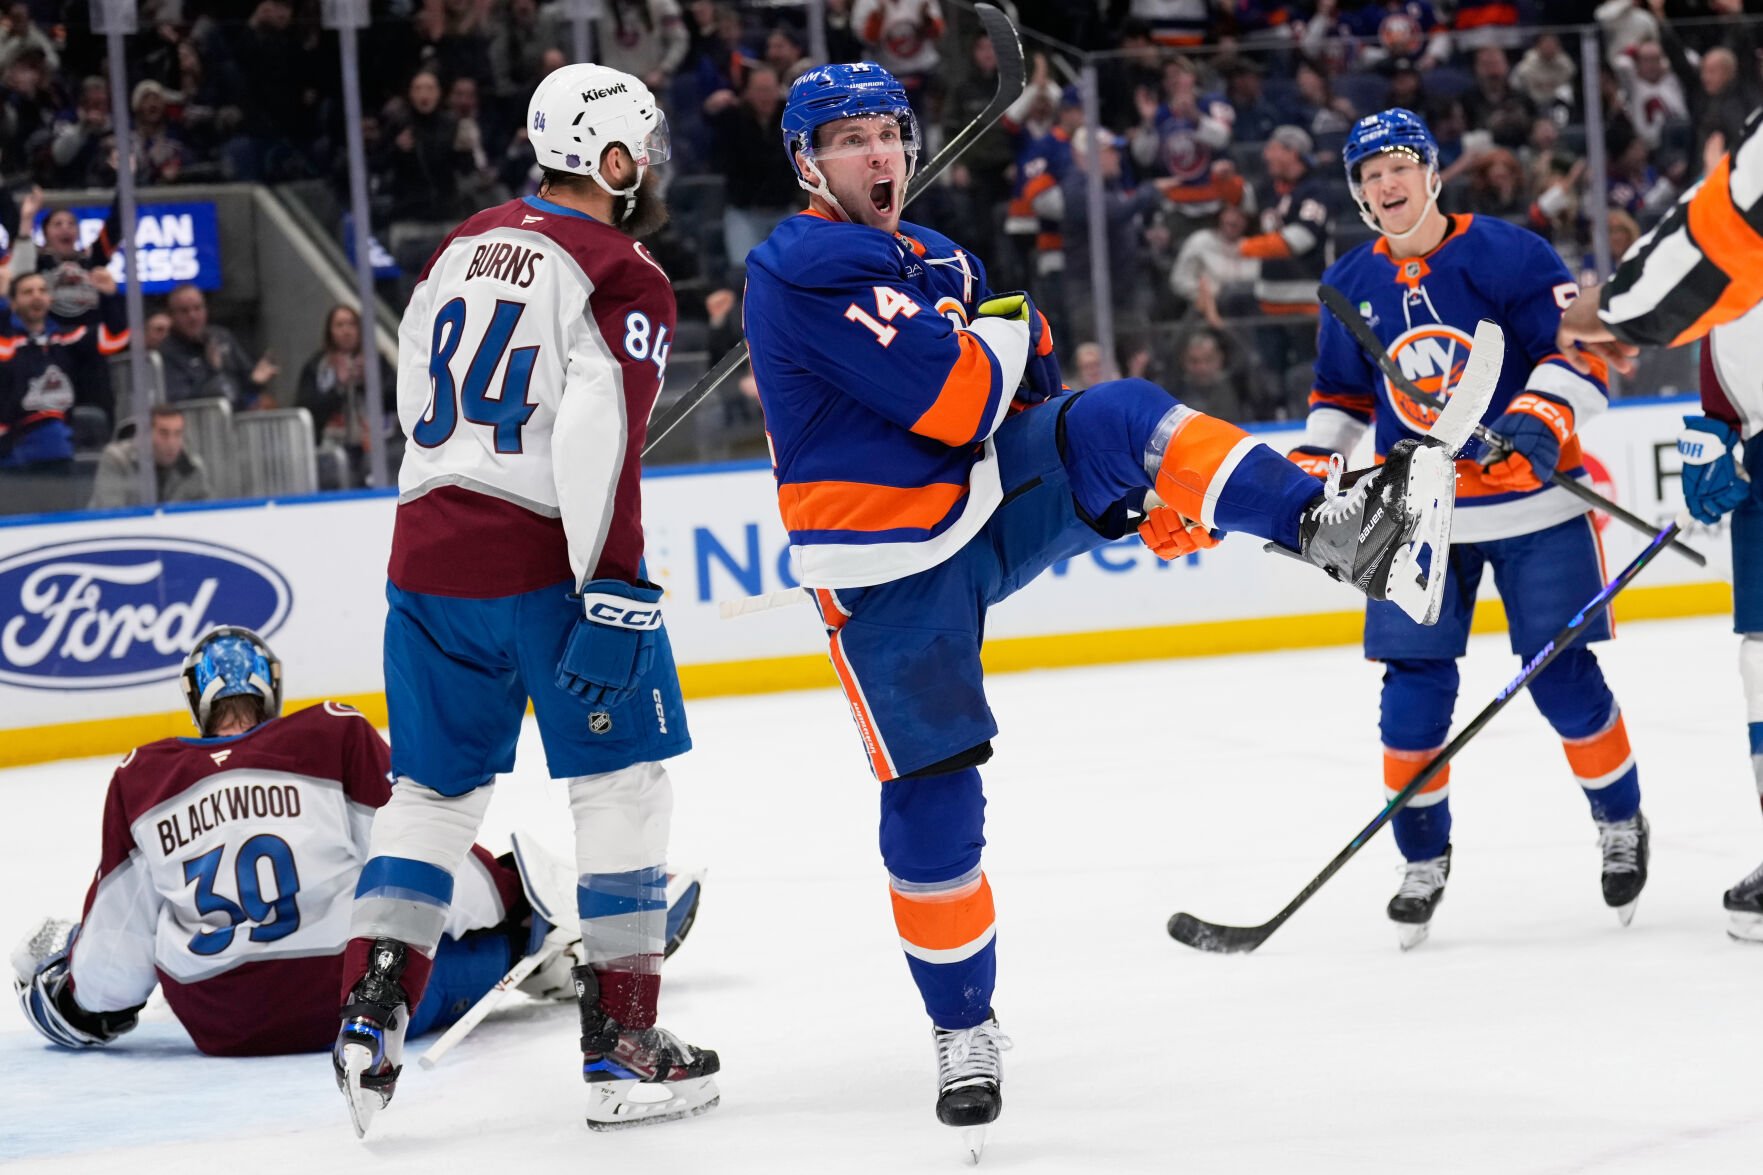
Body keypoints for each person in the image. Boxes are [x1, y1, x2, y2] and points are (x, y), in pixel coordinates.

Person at [742, 63, 1471, 1152]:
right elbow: (956, 399)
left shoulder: (938, 257)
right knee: (936, 802)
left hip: (978, 507)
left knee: (1123, 414)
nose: (879, 156)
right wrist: (994, 334)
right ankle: (963, 1027)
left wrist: (1136, 492)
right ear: (807, 162)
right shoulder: (795, 262)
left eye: (889, 134)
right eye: (849, 141)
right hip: (881, 565)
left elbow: (1025, 406)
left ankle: (1332, 526)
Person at [335, 64, 718, 1138]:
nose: (649, 166)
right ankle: (624, 1045)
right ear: (607, 156)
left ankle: (369, 1014)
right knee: (621, 785)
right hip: (546, 568)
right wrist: (616, 585)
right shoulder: (620, 269)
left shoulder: (459, 241)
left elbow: (421, 397)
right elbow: (595, 432)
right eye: (639, 146)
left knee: (431, 793)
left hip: (425, 559)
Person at [10, 626, 706, 1057]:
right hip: (350, 999)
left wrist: (71, 998)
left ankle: (548, 944)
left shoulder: (143, 775)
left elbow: (114, 962)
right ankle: (561, 949)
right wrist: (511, 896)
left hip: (219, 1025)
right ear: (272, 687)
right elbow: (420, 864)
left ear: (195, 695)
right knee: (478, 904)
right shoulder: (327, 733)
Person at [1292, 108, 1649, 950]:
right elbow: (1338, 399)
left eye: (1398, 167)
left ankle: (1619, 819)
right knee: (1411, 700)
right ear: (1358, 193)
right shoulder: (1350, 283)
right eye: (1369, 175)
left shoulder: (1510, 254)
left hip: (1531, 506)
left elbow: (1581, 351)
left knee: (1559, 677)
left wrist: (1540, 412)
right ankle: (1420, 859)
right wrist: (1315, 460)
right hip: (1417, 513)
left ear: (1431, 173)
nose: (1386, 185)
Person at [294, 304, 398, 489]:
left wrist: (368, 383)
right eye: (339, 325)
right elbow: (307, 409)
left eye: (351, 324)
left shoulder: (377, 361)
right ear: (330, 331)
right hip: (332, 447)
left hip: (378, 444)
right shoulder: (317, 366)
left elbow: (396, 401)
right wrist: (339, 386)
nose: (346, 331)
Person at [159, 284, 279, 410]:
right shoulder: (168, 352)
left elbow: (246, 382)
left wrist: (256, 380)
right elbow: (182, 402)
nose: (193, 316)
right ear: (172, 316)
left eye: (198, 308)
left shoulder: (221, 337)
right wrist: (213, 370)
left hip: (235, 418)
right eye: (184, 311)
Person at [88, 401, 212, 507]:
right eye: (164, 434)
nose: (171, 442)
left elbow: (205, 516)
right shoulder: (116, 460)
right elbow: (111, 514)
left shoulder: (191, 467)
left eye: (177, 434)